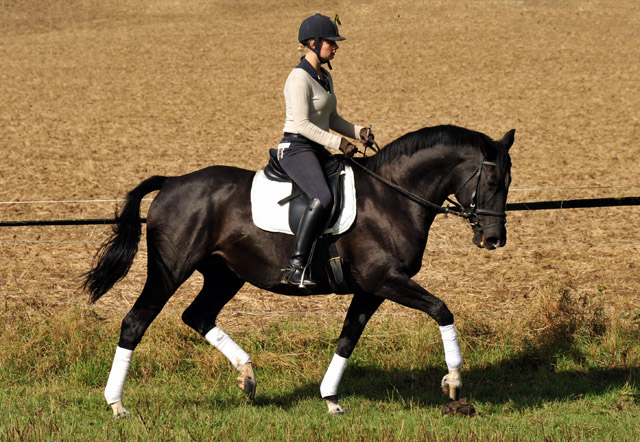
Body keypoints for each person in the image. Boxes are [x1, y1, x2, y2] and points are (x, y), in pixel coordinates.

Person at [278, 13, 375, 289]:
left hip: (316, 147)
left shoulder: (325, 77)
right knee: (322, 196)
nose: (336, 47)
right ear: (313, 43)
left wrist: (358, 132)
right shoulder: (299, 78)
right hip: (296, 147)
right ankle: (296, 266)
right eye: (330, 42)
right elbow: (303, 124)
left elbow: (331, 119)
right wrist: (338, 143)